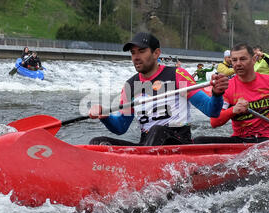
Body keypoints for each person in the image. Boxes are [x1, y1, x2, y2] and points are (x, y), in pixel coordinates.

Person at [88, 32, 229, 146]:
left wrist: (217, 94)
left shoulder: (177, 75)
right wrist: (105, 116)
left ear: (156, 53)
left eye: (142, 51)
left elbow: (212, 112)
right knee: (97, 143)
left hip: (178, 143)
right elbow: (120, 127)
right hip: (147, 144)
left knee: (157, 130)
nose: (136, 57)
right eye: (133, 53)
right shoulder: (130, 86)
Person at [193, 43, 269, 144]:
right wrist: (233, 110)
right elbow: (214, 122)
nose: (238, 64)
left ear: (254, 60)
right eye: (234, 60)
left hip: (268, 140)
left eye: (243, 59)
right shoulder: (226, 88)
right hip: (240, 141)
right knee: (199, 141)